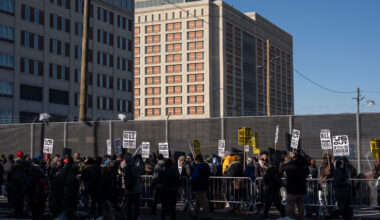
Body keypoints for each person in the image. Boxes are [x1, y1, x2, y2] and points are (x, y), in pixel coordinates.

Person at [281, 151, 309, 219]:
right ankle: (300, 217)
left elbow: (282, 167)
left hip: (292, 189)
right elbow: (307, 172)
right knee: (301, 205)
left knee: (290, 205)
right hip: (301, 189)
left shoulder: (291, 164)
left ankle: (290, 218)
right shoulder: (304, 165)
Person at [123, 154, 145, 220]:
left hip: (128, 189)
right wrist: (140, 159)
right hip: (136, 189)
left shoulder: (125, 169)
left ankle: (128, 216)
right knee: (136, 206)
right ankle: (135, 217)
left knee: (128, 205)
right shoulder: (135, 169)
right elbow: (142, 167)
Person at [190, 154, 211, 220]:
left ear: (198, 160)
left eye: (196, 160)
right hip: (205, 184)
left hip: (198, 185)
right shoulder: (207, 165)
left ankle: (207, 216)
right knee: (198, 201)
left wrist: (190, 181)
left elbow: (195, 176)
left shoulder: (198, 166)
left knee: (203, 201)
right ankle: (195, 214)